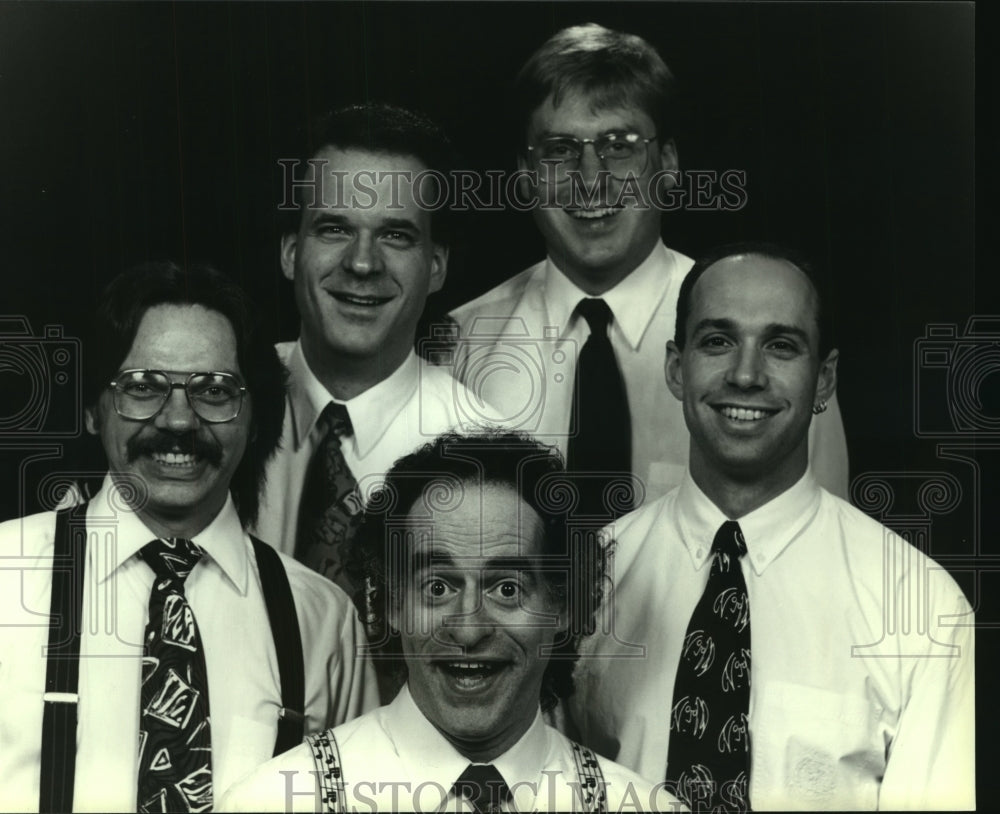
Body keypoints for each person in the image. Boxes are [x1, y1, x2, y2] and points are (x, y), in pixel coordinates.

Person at [569, 243, 974, 811]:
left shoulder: (921, 607)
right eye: (718, 341)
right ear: (676, 368)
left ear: (824, 379)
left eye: (781, 345)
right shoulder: (589, 578)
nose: (746, 375)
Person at [0, 262, 377, 812]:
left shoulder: (321, 621)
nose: (178, 421)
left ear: (254, 417)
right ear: (92, 409)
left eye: (215, 390)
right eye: (142, 387)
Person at [448, 23, 848, 517]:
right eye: (559, 151)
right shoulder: (458, 350)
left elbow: (822, 539)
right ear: (526, 175)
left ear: (668, 163)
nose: (590, 181)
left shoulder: (775, 348)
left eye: (620, 146)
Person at [219, 431, 684, 812]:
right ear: (391, 603)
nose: (468, 629)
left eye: (507, 589)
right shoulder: (273, 802)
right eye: (438, 587)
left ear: (563, 605)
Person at [256, 103, 494, 595]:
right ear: (290, 252)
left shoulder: (486, 456)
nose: (362, 263)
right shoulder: (219, 405)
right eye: (335, 229)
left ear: (436, 266)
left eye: (396, 235)